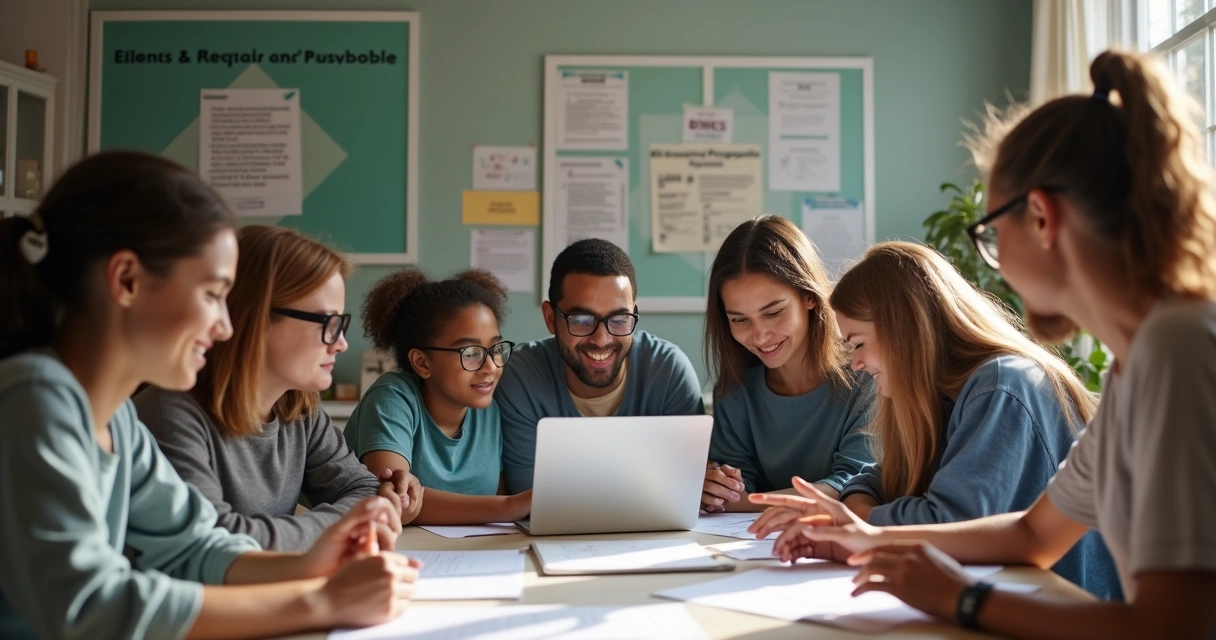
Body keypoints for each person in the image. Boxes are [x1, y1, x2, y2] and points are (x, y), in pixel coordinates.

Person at [753, 50, 1216, 638]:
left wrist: (963, 599)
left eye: (992, 232)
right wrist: (865, 538)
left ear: (1042, 218)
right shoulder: (1141, 363)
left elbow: (1171, 626)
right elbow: (1033, 535)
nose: (991, 256)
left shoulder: (1179, 351)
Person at [0, 151, 417, 639]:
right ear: (127, 280)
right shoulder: (37, 399)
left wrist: (317, 559)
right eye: (212, 295)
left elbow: (194, 547)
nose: (224, 327)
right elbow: (90, 606)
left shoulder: (117, 422)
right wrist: (319, 600)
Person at [752, 240, 1119, 598]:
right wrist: (857, 511)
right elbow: (877, 476)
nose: (856, 364)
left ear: (904, 330)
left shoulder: (1001, 384)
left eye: (858, 343)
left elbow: (950, 524)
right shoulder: (945, 397)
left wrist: (860, 523)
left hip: (1065, 608)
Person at [135, 225, 422, 551]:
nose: (341, 344)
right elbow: (216, 541)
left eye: (341, 324)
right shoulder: (171, 413)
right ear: (256, 320)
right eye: (328, 324)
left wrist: (374, 505)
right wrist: (354, 520)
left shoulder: (299, 406)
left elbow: (362, 487)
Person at [496, 239, 704, 494]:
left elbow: (688, 491)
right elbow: (526, 498)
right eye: (582, 320)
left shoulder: (669, 372)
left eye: (619, 319)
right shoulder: (520, 377)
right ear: (551, 319)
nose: (601, 339)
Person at [700, 215, 873, 513]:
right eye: (740, 319)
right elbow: (734, 493)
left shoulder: (867, 371)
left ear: (809, 297)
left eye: (773, 312)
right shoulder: (734, 389)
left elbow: (853, 484)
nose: (759, 335)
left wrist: (741, 502)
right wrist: (717, 489)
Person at [345, 269, 530, 524]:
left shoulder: (489, 409)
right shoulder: (392, 397)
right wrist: (512, 506)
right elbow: (394, 502)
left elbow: (495, 505)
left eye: (496, 348)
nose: (491, 366)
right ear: (422, 362)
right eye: (471, 352)